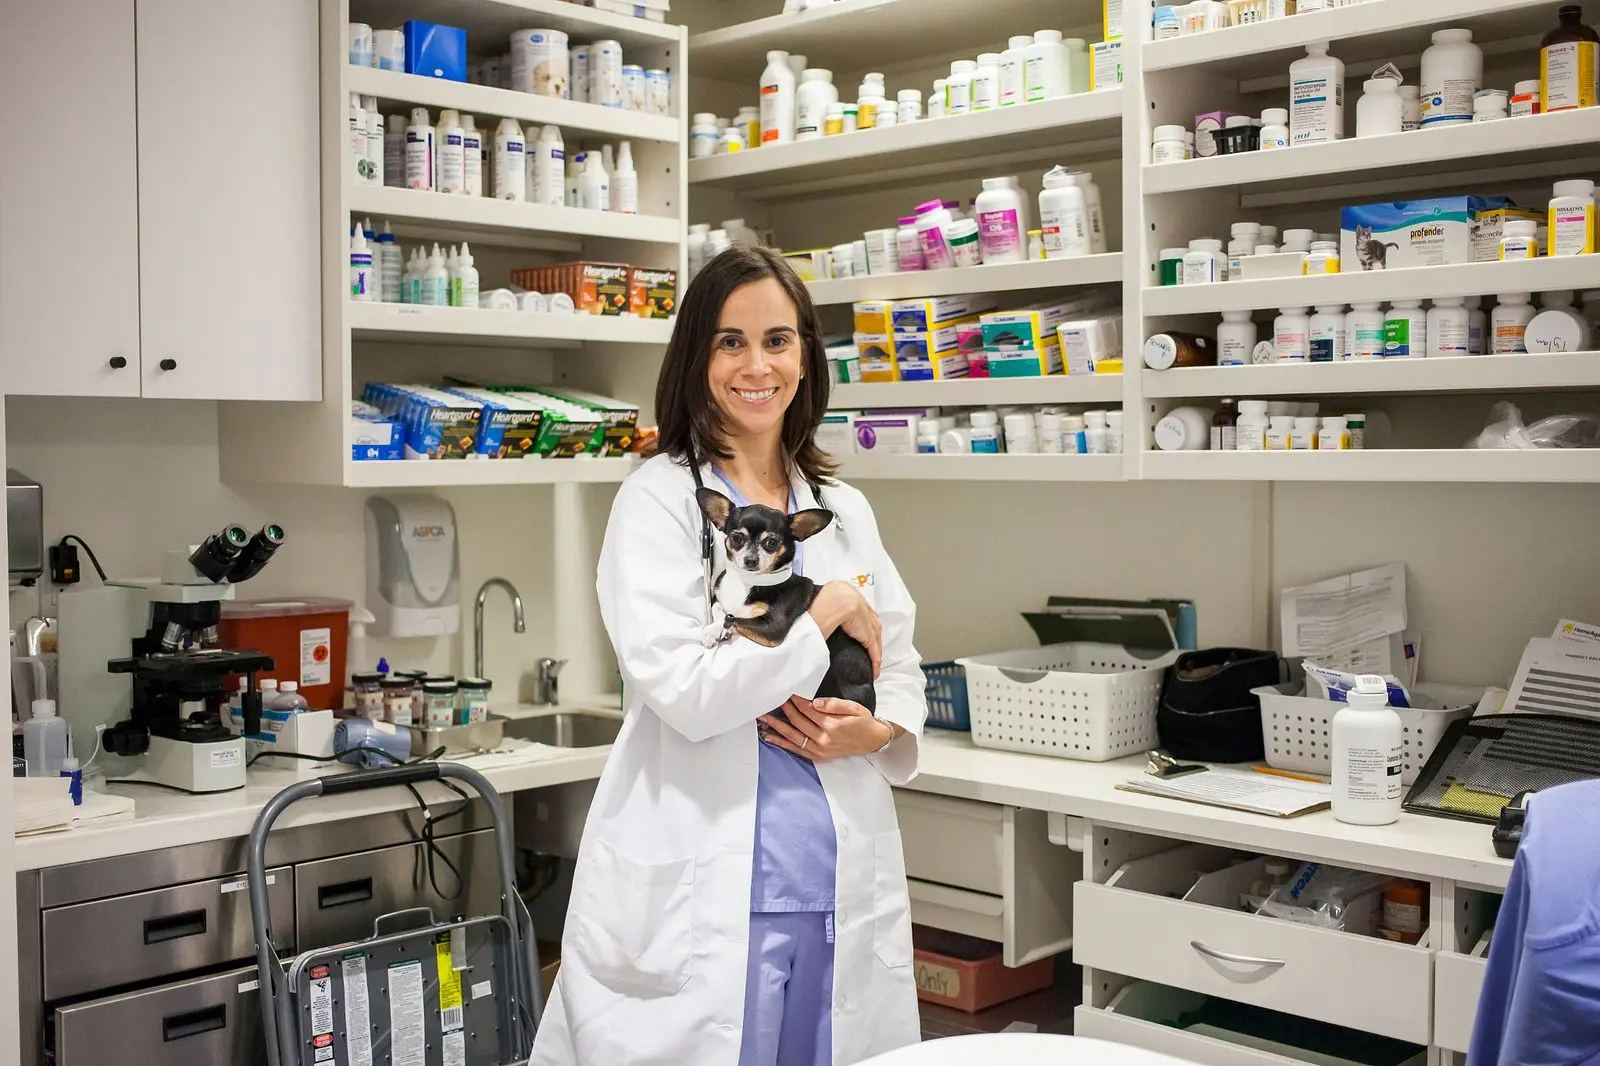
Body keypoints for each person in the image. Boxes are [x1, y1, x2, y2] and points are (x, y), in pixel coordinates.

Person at [530, 245, 928, 1066]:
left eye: (778, 341)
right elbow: (690, 692)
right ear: (696, 357)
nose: (758, 365)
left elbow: (902, 662)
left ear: (805, 357)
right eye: (730, 342)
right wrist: (821, 613)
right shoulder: (659, 501)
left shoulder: (842, 511)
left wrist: (881, 734)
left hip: (835, 880)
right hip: (707, 886)